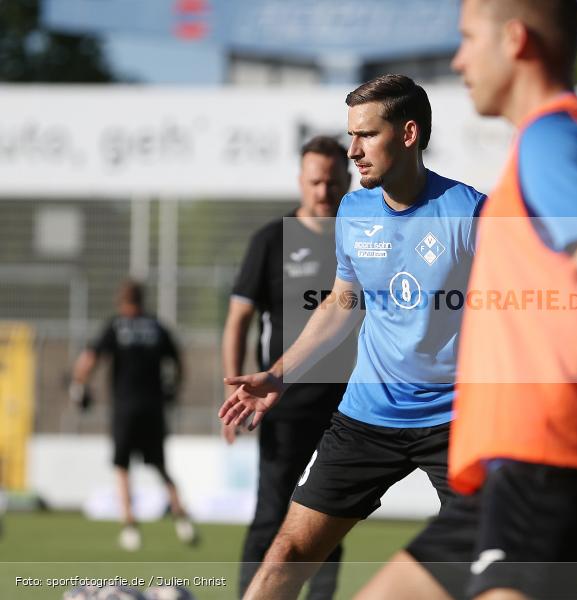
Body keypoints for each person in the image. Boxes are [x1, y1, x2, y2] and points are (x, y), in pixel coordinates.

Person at [357, 2, 577, 599]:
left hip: (544, 452)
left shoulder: (552, 138)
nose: (458, 60)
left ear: (515, 41)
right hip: (520, 465)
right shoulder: (560, 140)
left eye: (468, 39)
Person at [219, 74, 485, 600]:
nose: (353, 151)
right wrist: (279, 374)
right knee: (286, 552)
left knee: (489, 562)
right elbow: (343, 303)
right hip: (367, 414)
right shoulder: (354, 210)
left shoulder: (469, 212)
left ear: (408, 134)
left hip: (457, 420)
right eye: (350, 136)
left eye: (366, 135)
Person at [222, 135, 356, 598]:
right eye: (315, 182)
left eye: (333, 182)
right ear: (301, 180)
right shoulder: (271, 240)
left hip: (347, 408)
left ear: (348, 180)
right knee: (272, 515)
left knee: (329, 519)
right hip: (283, 406)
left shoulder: (362, 237)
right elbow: (238, 320)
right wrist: (234, 389)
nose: (324, 191)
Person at [71, 279, 196, 552]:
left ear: (121, 300)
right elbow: (179, 363)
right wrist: (173, 390)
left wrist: (79, 386)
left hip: (125, 408)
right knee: (160, 466)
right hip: (153, 407)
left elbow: (89, 359)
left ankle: (129, 527)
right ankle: (182, 519)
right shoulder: (156, 326)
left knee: (122, 467)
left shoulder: (116, 325)